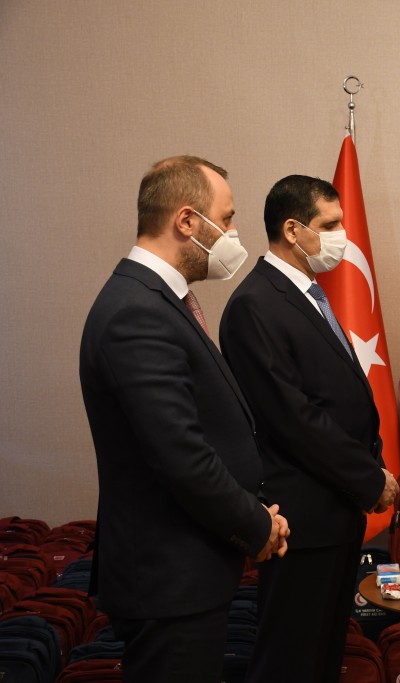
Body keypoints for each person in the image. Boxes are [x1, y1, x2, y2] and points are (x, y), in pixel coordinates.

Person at [79, 155, 289, 683]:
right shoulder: (136, 311)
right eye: (228, 218)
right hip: (167, 578)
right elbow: (181, 455)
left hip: (188, 569)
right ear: (188, 221)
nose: (234, 235)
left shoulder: (157, 300)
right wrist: (256, 524)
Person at [220, 174, 399, 683]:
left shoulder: (308, 295)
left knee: (322, 658)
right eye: (331, 224)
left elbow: (338, 400)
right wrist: (369, 479)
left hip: (335, 514)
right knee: (290, 661)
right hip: (301, 520)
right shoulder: (256, 304)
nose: (342, 235)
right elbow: (294, 418)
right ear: (293, 230)